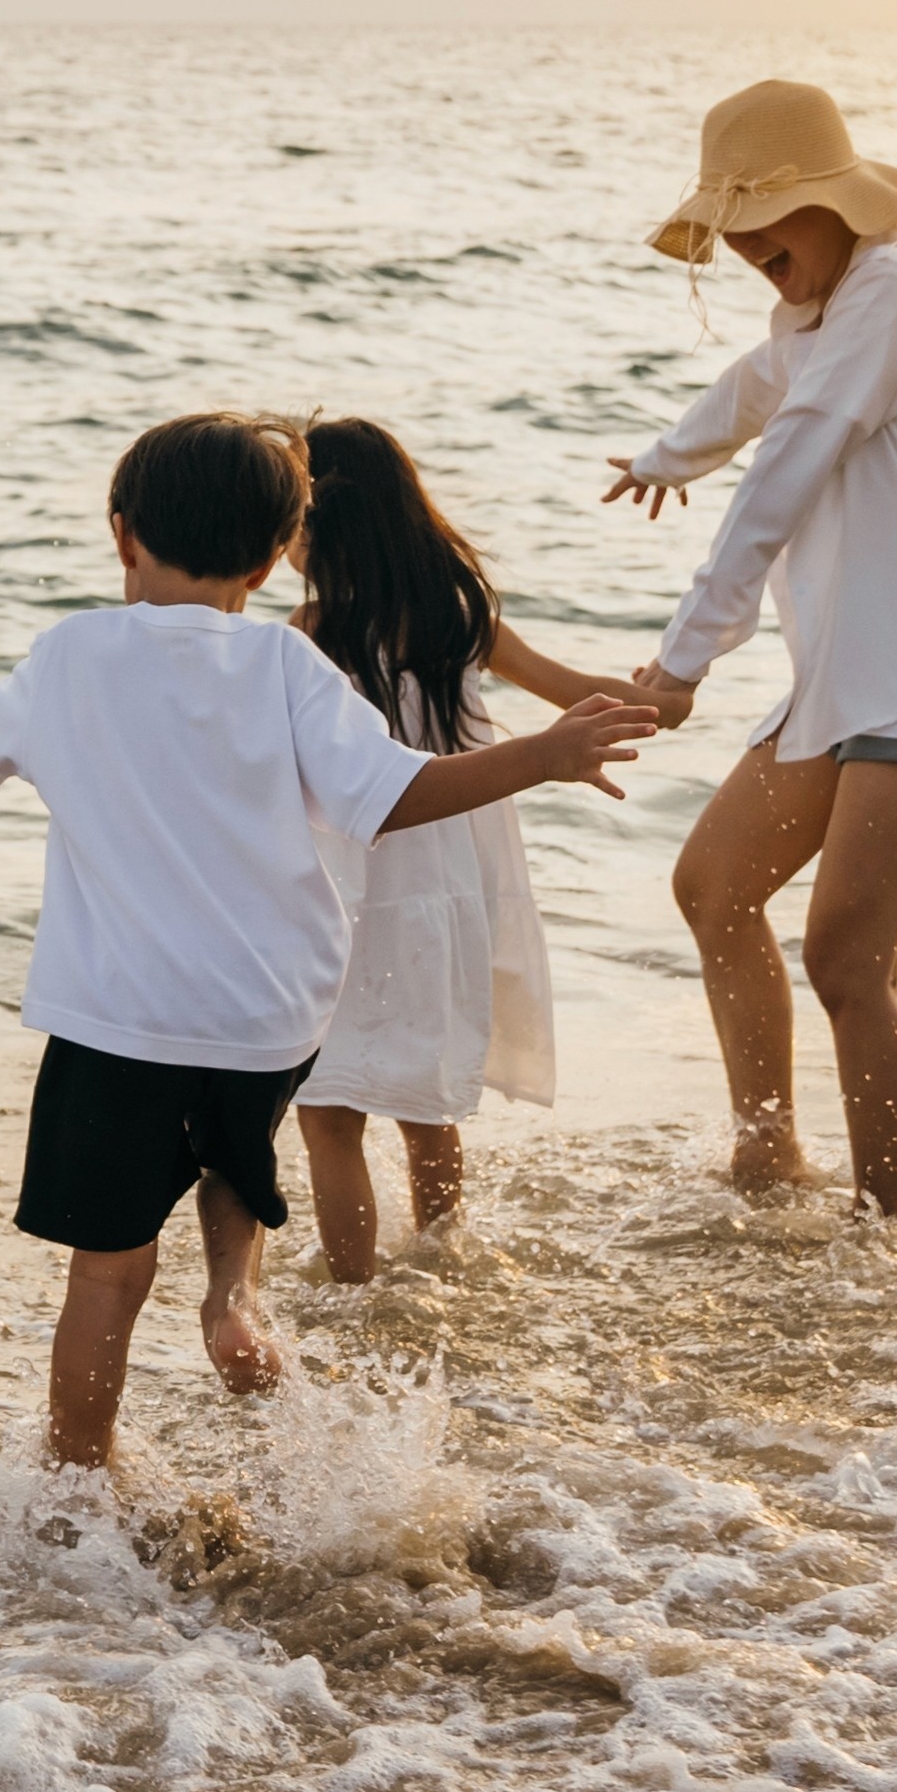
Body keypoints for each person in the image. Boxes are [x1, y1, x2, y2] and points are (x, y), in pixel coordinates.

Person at [0, 413, 645, 1468]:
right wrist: (541, 754)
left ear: (121, 533)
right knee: (234, 1148)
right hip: (268, 1019)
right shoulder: (288, 663)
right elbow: (396, 790)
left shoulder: (74, 651)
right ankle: (233, 1301)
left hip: (120, 1021)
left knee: (106, 1272)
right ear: (273, 559)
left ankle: (78, 1477)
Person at [605, 78, 897, 1219]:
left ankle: (885, 1231)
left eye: (761, 220)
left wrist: (684, 660)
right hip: (854, 668)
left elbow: (792, 455)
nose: (746, 243)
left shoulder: (896, 288)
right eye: (735, 230)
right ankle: (768, 1162)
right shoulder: (814, 310)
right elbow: (760, 387)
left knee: (846, 957)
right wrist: (668, 454)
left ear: (826, 202)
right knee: (713, 886)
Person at [280, 417, 651, 1283]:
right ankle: (441, 1259)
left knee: (329, 1108)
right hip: (444, 893)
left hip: (345, 890)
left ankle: (352, 1290)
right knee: (422, 1098)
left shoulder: (305, 634)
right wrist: (662, 695)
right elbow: (576, 691)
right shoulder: (459, 619)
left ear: (323, 525)